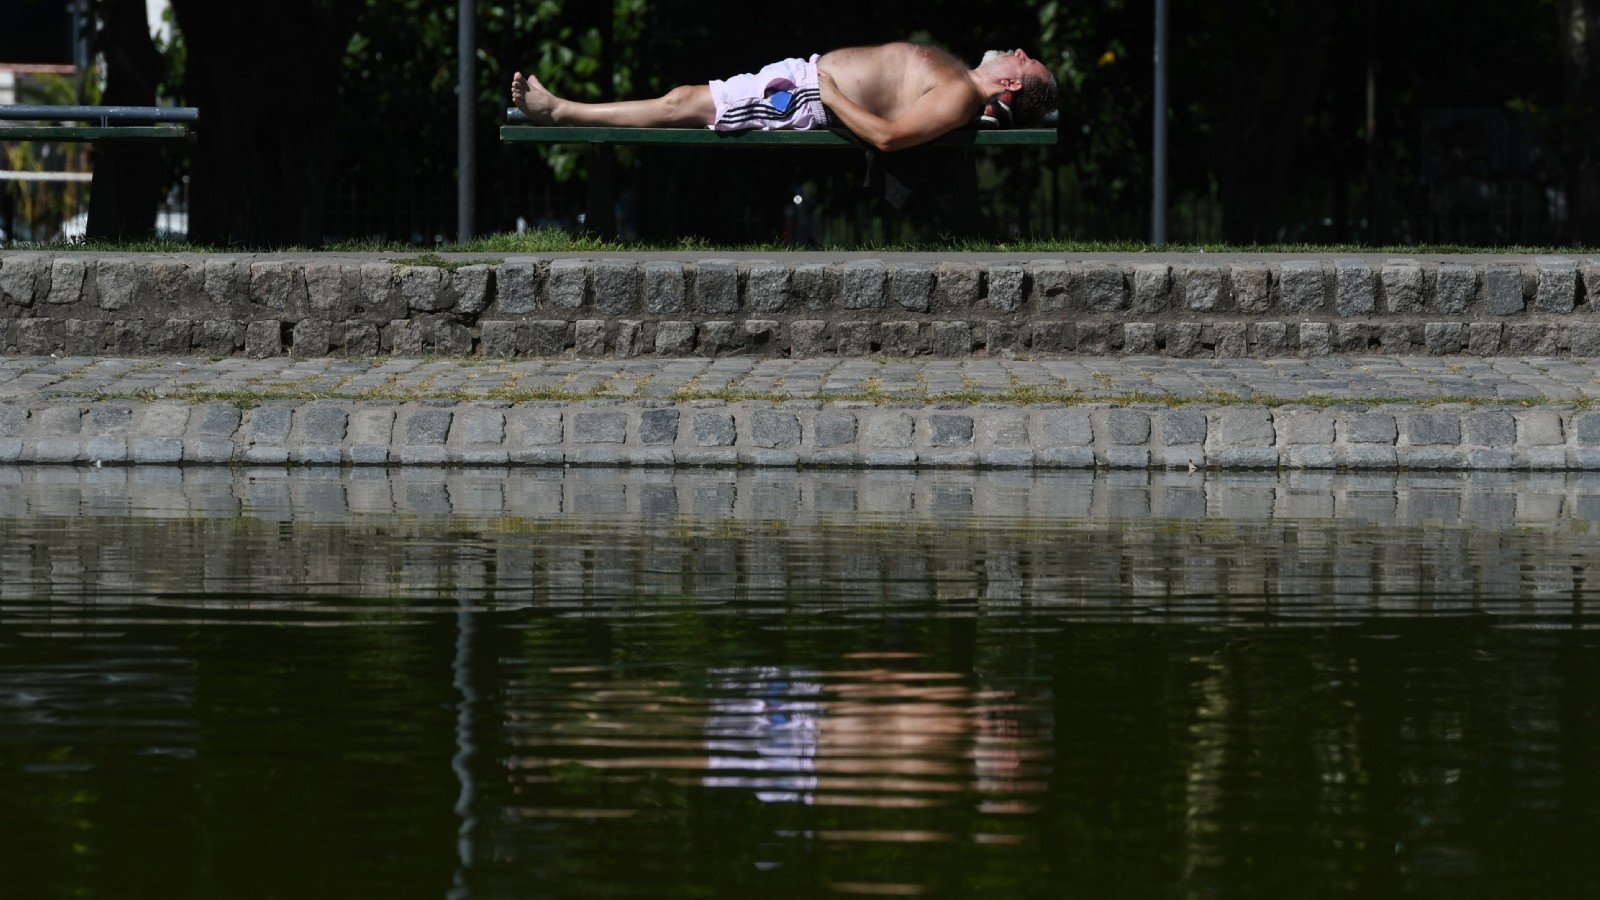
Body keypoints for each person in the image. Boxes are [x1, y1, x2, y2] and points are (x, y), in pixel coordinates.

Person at [510, 43, 1057, 153]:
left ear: (1011, 84)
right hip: (806, 81)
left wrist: (829, 92)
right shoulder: (961, 81)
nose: (1017, 50)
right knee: (684, 99)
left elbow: (889, 138)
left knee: (682, 102)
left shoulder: (961, 95)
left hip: (805, 96)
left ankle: (559, 111)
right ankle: (561, 109)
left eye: (1024, 59)